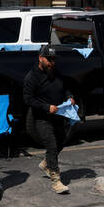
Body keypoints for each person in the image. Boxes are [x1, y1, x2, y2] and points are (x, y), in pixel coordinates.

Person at [22, 44, 74, 195]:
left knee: (62, 140)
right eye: (49, 59)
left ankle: (47, 163)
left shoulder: (56, 73)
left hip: (58, 115)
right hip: (41, 117)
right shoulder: (32, 77)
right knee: (51, 145)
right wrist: (46, 107)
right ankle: (56, 180)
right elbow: (27, 99)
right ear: (41, 58)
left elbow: (65, 88)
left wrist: (70, 97)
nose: (52, 62)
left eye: (53, 59)